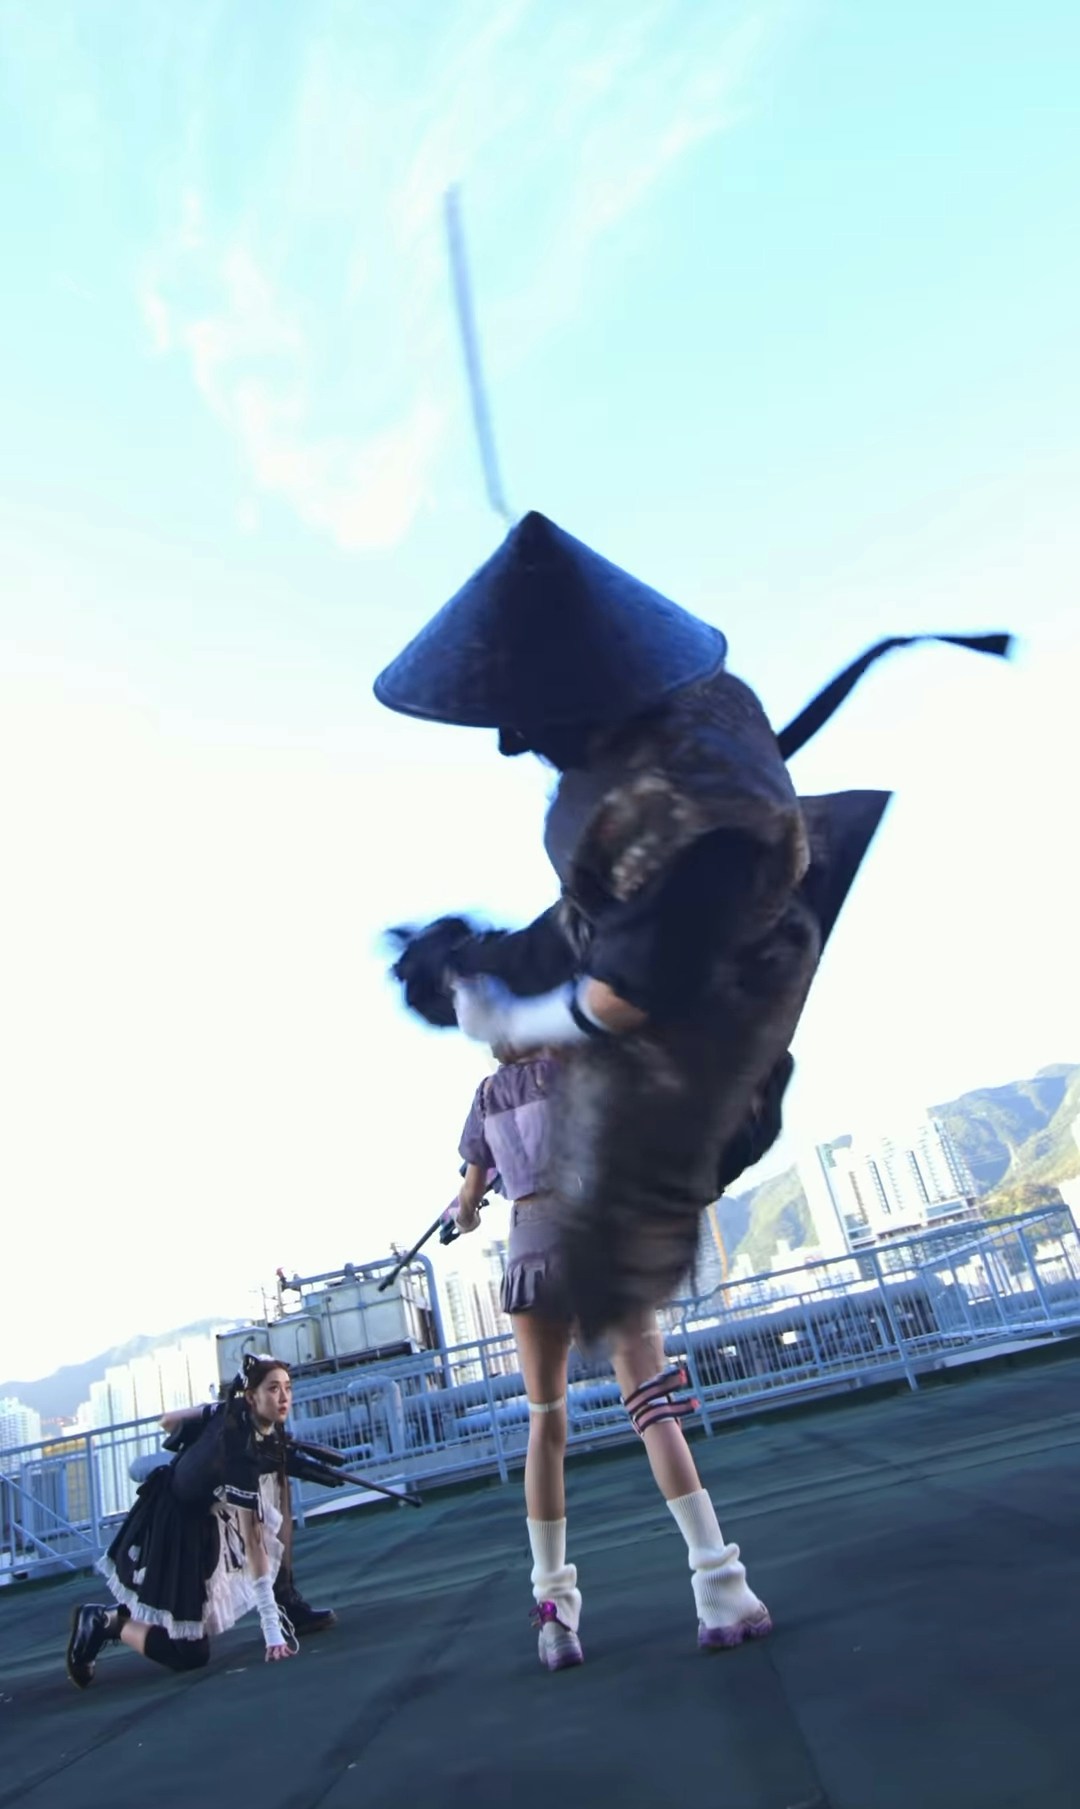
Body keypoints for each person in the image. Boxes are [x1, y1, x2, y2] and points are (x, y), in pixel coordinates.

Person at [379, 510, 1010, 1342]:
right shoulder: (690, 717)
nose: (512, 742)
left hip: (719, 966)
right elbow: (586, 923)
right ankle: (462, 969)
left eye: (525, 721)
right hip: (656, 903)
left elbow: (628, 995)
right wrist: (469, 964)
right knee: (543, 963)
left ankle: (659, 1201)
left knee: (627, 1187)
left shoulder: (688, 822)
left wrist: (512, 1020)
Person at [455, 1048, 772, 1670]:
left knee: (546, 1426)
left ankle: (553, 1613)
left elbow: (469, 1204)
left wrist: (464, 1210)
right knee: (652, 1410)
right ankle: (719, 1586)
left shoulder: (488, 1096)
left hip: (528, 1257)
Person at [65, 1355, 332, 1690]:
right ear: (252, 1396)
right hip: (176, 1527)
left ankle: (113, 1618)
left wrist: (212, 1411)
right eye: (273, 1389)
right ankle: (107, 1622)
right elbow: (253, 1541)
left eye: (288, 1388)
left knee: (184, 1627)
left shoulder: (234, 1413)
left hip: (202, 1520)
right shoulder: (239, 1450)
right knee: (188, 1653)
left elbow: (169, 1421)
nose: (284, 1398)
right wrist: (271, 1629)